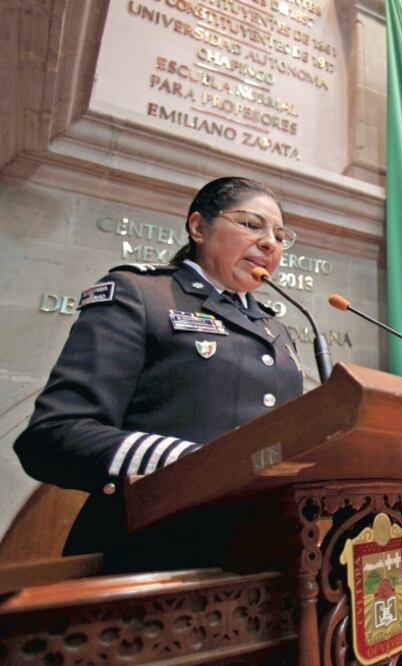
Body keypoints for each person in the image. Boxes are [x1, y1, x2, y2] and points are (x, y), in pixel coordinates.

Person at [14, 177, 306, 564]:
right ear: (199, 227)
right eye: (252, 225)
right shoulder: (140, 293)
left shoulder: (275, 327)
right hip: (154, 551)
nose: (270, 242)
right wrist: (200, 464)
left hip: (261, 554)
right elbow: (54, 435)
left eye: (280, 235)